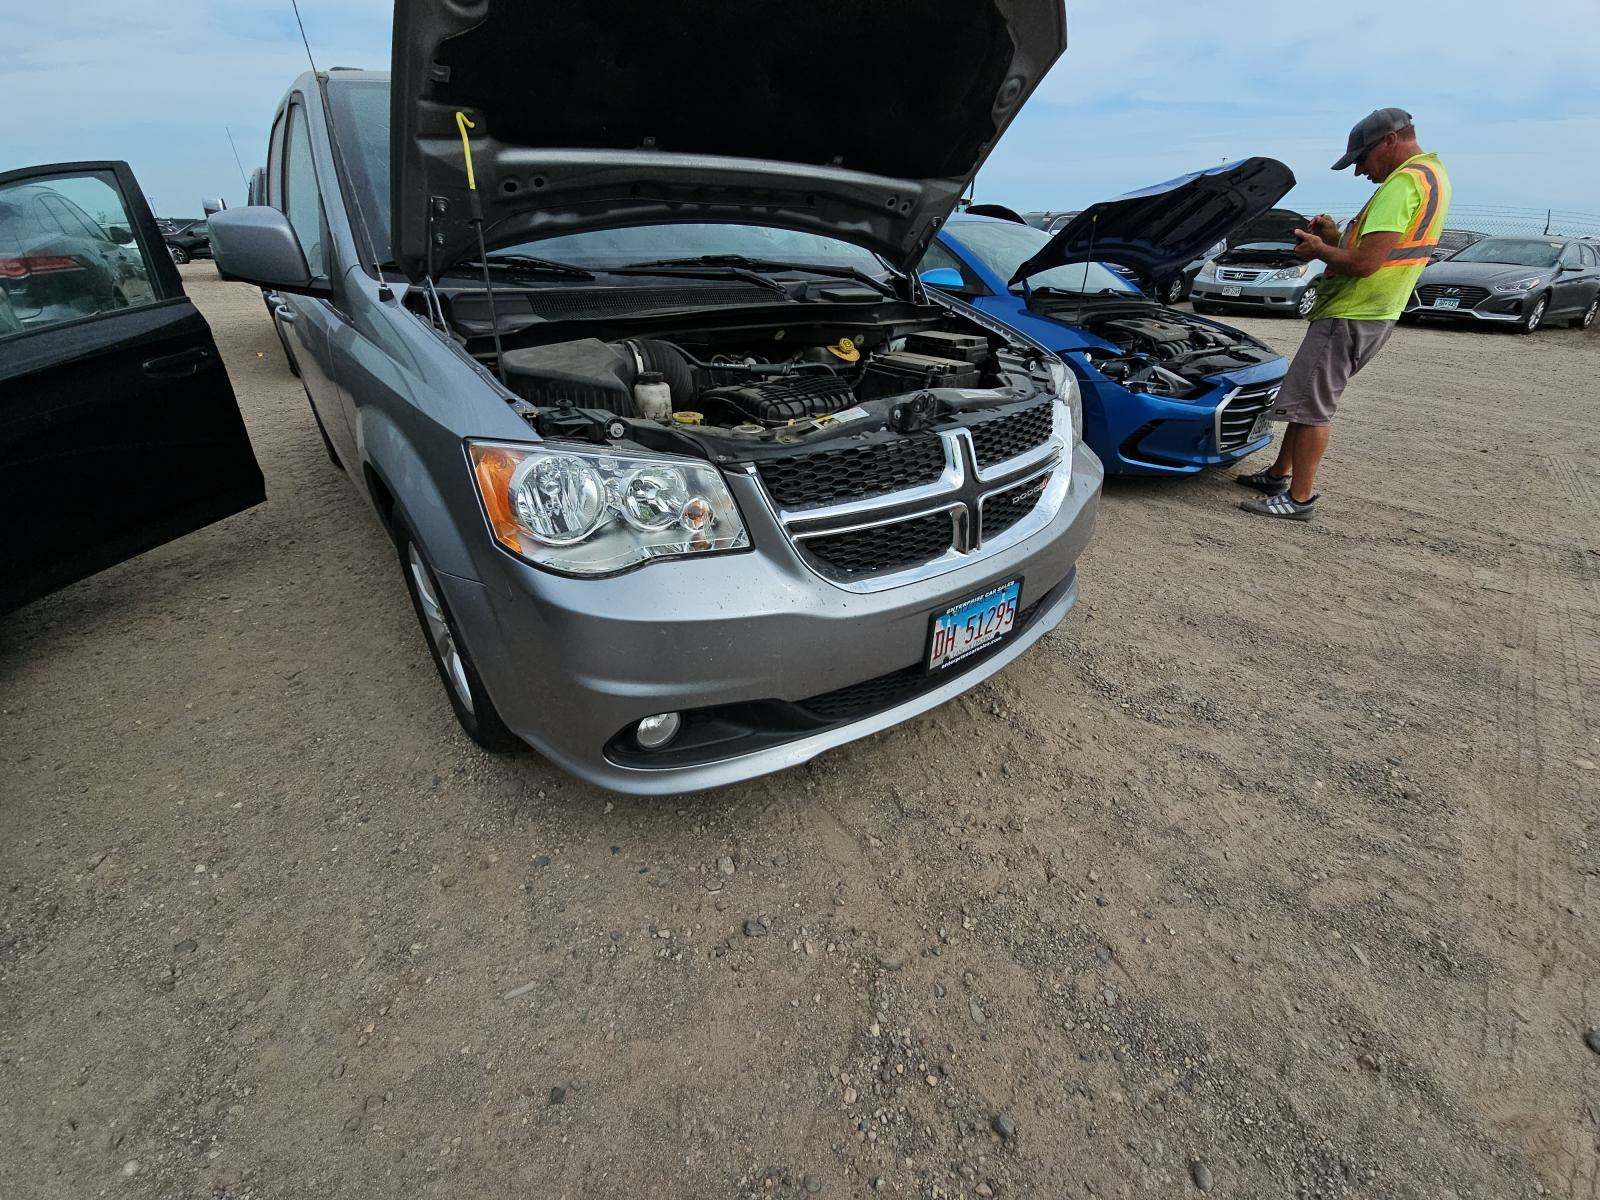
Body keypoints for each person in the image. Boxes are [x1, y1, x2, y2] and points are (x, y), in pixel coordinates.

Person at [1237, 107, 1451, 520]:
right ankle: (1279, 474)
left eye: (1362, 159)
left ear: (1389, 141)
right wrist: (1335, 238)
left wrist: (1320, 251)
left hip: (1353, 311)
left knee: (1314, 407)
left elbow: (1365, 263)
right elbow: (1375, 251)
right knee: (1304, 400)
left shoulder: (1401, 185)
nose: (1359, 172)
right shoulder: (1431, 177)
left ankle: (1298, 500)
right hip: (1376, 311)